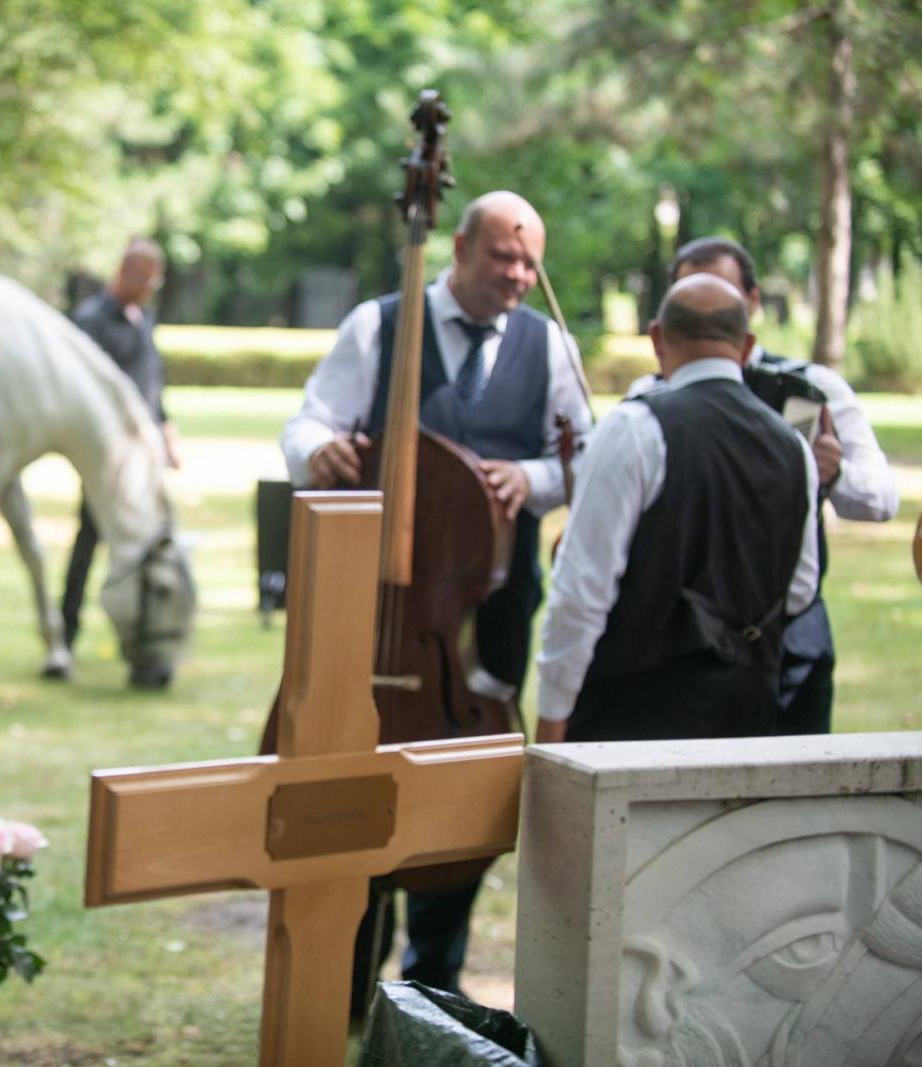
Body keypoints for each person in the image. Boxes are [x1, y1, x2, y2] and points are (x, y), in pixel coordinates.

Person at [279, 190, 593, 1013]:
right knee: (347, 778)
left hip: (485, 616)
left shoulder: (548, 344)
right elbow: (306, 423)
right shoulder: (380, 325)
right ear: (457, 246)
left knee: (461, 792)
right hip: (378, 616)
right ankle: (343, 979)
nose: (521, 275)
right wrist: (322, 454)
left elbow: (586, 459)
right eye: (504, 256)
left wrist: (535, 478)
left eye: (531, 261)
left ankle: (433, 984)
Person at [534, 274, 821, 744]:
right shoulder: (794, 445)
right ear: (746, 345)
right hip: (747, 715)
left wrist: (551, 714)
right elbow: (800, 589)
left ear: (656, 338)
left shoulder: (634, 427)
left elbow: (582, 588)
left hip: (630, 720)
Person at [628, 238, 898, 735]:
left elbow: (883, 500)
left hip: (792, 630)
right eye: (691, 297)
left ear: (751, 303)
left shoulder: (811, 389)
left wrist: (834, 474)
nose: (710, 315)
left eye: (724, 296)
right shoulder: (647, 401)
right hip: (679, 634)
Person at [58, 237, 182, 659]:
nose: (151, 288)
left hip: (146, 458)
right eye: (147, 279)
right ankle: (66, 632)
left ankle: (143, 634)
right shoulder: (91, 320)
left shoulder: (144, 318)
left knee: (150, 544)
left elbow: (152, 379)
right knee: (89, 540)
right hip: (110, 459)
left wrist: (166, 427)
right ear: (125, 273)